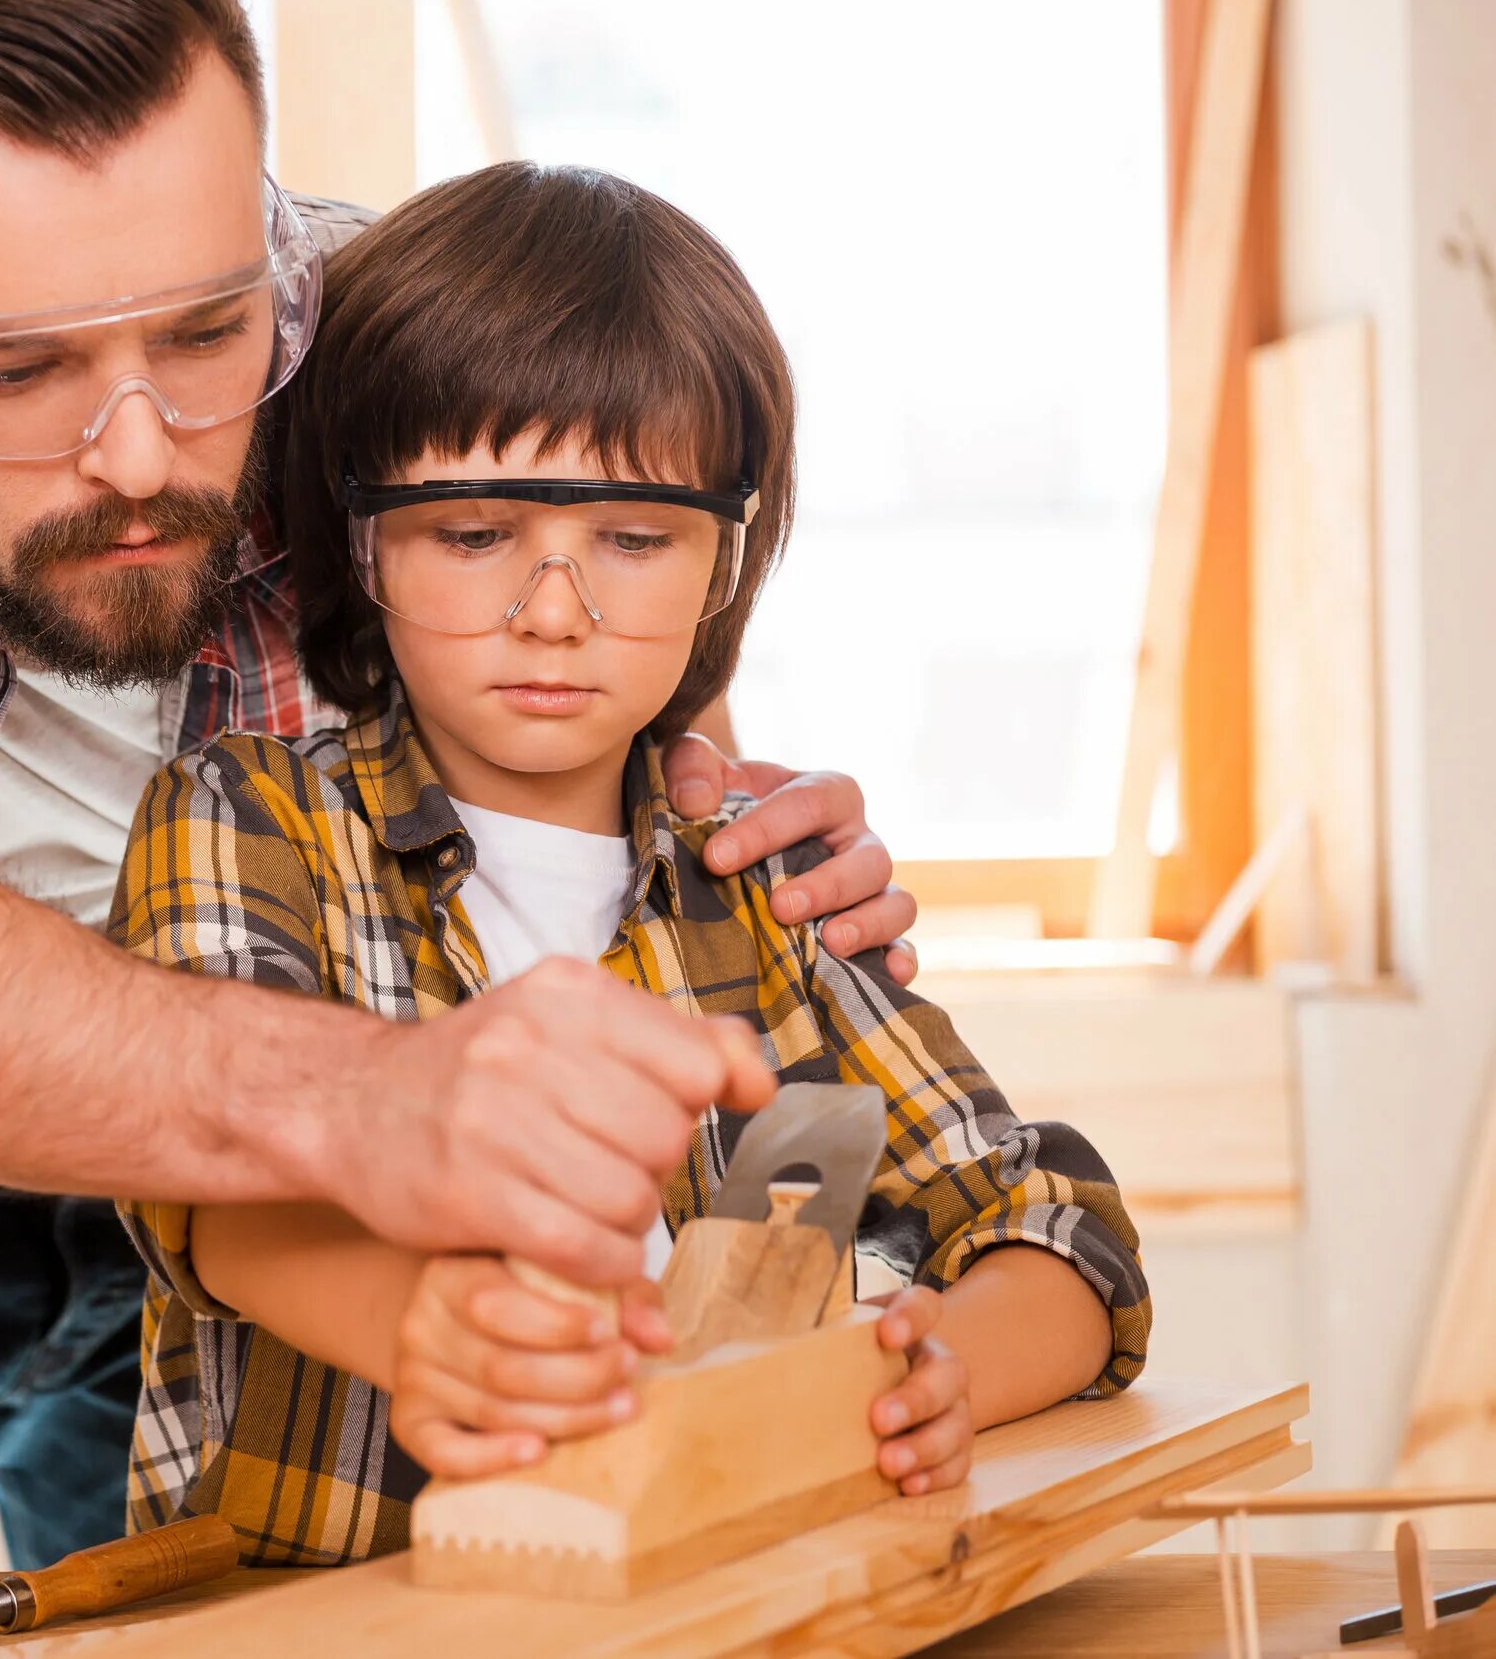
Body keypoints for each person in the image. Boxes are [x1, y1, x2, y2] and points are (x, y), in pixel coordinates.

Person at [0, 0, 922, 1569]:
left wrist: (725, 831)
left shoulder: (386, 332)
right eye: (16, 370)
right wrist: (374, 1100)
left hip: (290, 1197)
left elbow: (593, 659)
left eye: (209, 333)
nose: (143, 452)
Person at [111, 162, 1152, 1565]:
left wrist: (935, 1372)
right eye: (477, 535)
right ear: (361, 539)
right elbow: (217, 1185)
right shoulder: (242, 820)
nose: (555, 612)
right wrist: (432, 1328)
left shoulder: (755, 890)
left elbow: (1055, 1222)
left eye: (635, 538)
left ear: (727, 557)